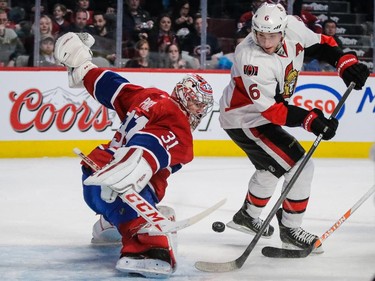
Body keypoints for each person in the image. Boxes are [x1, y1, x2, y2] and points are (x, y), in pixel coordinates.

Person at [54, 32, 214, 278]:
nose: (200, 112)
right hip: (119, 188)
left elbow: (114, 88)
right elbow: (150, 145)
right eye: (198, 105)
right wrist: (135, 164)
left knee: (143, 195)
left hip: (96, 178)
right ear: (185, 99)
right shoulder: (178, 121)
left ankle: (109, 225)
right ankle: (144, 250)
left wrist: (83, 67)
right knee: (152, 232)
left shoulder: (151, 97)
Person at [219, 3, 369, 252]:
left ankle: (247, 216)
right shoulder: (250, 59)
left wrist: (345, 63)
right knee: (300, 165)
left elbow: (322, 45)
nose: (266, 41)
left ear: (283, 29)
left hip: (258, 115)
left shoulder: (293, 27)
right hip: (245, 119)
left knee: (270, 168)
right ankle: (290, 229)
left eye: (272, 35)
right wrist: (312, 119)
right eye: (260, 35)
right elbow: (273, 111)